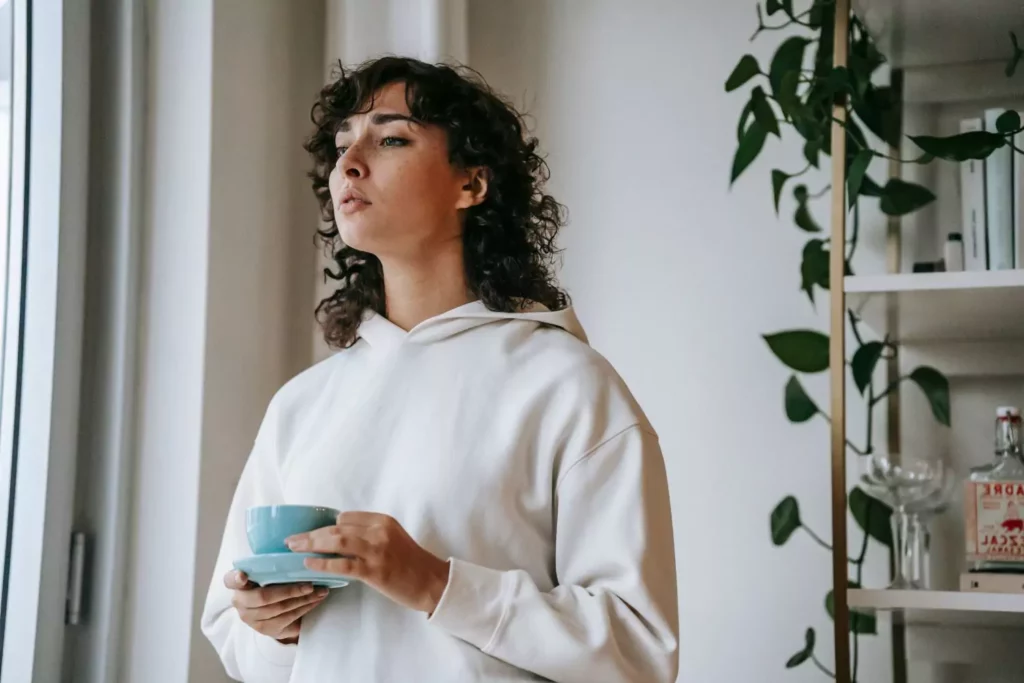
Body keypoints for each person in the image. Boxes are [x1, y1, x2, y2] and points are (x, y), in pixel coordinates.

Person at [201, 56, 679, 683]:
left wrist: (433, 583)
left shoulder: (567, 384)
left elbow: (639, 654)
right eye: (343, 145)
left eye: (391, 137)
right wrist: (271, 625)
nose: (350, 162)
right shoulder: (301, 403)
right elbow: (236, 642)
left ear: (471, 185)